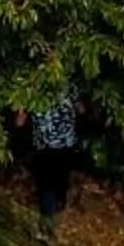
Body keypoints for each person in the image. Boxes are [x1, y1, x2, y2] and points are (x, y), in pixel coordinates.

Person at [12, 80, 80, 237]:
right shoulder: (32, 88)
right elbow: (19, 121)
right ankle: (48, 221)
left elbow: (19, 121)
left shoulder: (67, 85)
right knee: (48, 184)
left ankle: (54, 214)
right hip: (47, 146)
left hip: (63, 144)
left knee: (58, 183)